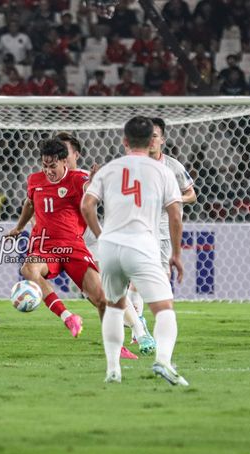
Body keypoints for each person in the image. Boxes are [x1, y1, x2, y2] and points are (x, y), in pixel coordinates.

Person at [6, 137, 156, 356]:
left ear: (64, 162)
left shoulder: (78, 179)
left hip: (74, 247)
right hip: (45, 247)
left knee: (102, 300)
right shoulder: (34, 180)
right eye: (44, 166)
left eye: (53, 166)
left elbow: (91, 192)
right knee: (28, 269)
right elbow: (29, 203)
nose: (48, 171)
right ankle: (68, 318)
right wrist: (19, 227)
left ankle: (117, 346)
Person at [81, 116, 188, 386]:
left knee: (115, 307)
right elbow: (175, 214)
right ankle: (163, 361)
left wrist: (101, 235)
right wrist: (176, 253)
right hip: (141, 245)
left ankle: (113, 370)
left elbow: (86, 205)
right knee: (164, 309)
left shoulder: (109, 169)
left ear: (125, 141)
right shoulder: (163, 170)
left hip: (110, 246)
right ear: (150, 140)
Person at [126, 117, 197, 340]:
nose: (152, 141)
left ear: (162, 140)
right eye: (149, 137)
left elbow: (192, 195)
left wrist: (173, 200)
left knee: (161, 281)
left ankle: (143, 325)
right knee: (137, 280)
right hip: (140, 230)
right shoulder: (134, 165)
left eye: (155, 136)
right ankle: (138, 330)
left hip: (165, 233)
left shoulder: (173, 167)